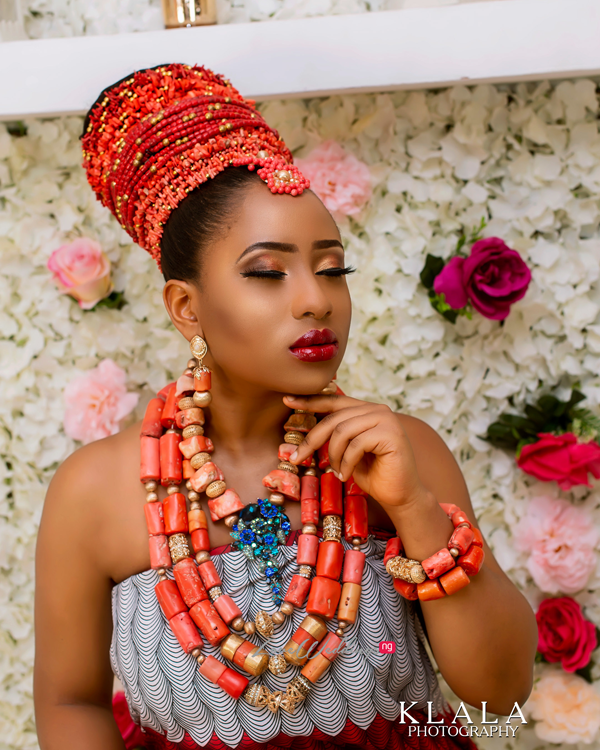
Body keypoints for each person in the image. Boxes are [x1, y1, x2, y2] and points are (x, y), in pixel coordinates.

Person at [33, 63, 537, 750]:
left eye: (332, 268)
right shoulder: (92, 492)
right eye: (269, 273)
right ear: (187, 308)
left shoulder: (401, 451)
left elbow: (501, 693)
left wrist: (415, 510)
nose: (315, 299)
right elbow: (70, 702)